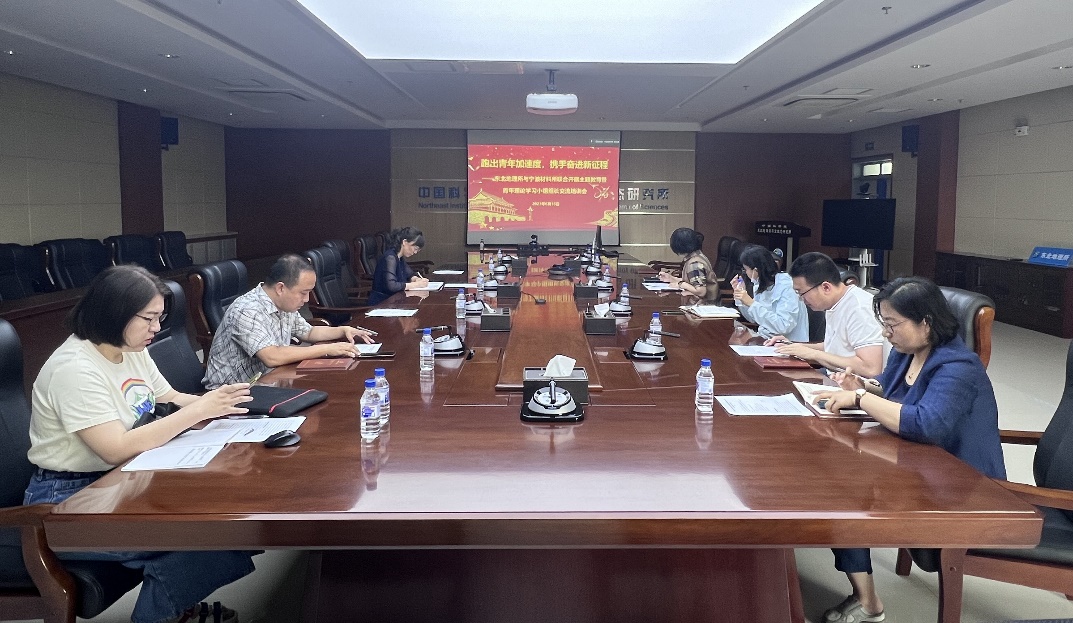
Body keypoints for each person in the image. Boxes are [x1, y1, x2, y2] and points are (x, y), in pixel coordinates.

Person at [24, 265, 256, 623]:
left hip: (121, 479)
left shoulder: (129, 348)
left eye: (159, 318)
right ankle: (169, 613)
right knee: (208, 535)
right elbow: (114, 448)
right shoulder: (74, 368)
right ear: (114, 312)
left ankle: (172, 611)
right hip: (67, 498)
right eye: (149, 318)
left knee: (225, 520)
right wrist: (199, 411)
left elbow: (170, 397)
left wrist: (222, 405)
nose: (157, 328)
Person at [811, 276, 1005, 623]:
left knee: (843, 494)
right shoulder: (909, 352)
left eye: (892, 324)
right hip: (921, 465)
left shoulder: (958, 366)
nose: (886, 333)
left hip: (963, 487)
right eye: (884, 324)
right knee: (833, 479)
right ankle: (865, 596)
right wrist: (861, 385)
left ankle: (867, 603)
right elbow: (887, 388)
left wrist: (861, 398)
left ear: (925, 323)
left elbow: (927, 423)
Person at [203, 254, 373, 389]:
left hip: (269, 383)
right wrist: (327, 349)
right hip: (230, 396)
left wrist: (343, 330)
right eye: (303, 293)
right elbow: (272, 357)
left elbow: (308, 332)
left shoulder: (283, 304)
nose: (307, 299)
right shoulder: (247, 310)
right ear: (280, 288)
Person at [765, 252, 886, 378]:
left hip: (852, 384)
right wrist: (793, 346)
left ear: (826, 287)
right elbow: (834, 347)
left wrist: (813, 354)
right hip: (833, 374)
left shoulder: (859, 308)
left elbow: (871, 369)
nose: (801, 299)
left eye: (801, 293)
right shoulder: (834, 302)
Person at [732, 244, 809, 342]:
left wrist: (751, 303)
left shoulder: (788, 286)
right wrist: (741, 298)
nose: (745, 273)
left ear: (756, 271)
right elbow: (753, 319)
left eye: (745, 269)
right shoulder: (760, 284)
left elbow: (783, 326)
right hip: (766, 339)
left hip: (789, 343)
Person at [367, 226, 430, 305]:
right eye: (415, 248)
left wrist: (416, 279)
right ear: (404, 242)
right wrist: (415, 285)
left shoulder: (399, 257)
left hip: (395, 301)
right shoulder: (390, 258)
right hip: (383, 303)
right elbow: (391, 286)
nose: (415, 252)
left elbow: (410, 274)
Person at [657, 227, 718, 300]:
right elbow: (693, 283)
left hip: (703, 304)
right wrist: (671, 278)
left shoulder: (694, 263)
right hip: (697, 302)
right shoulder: (698, 255)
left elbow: (701, 291)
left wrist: (681, 284)